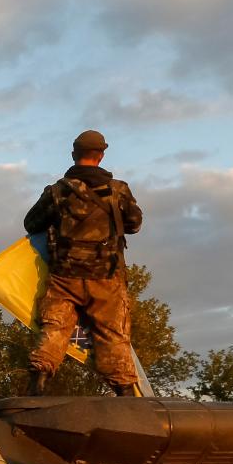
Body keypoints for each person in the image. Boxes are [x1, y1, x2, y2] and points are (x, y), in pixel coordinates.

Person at [23, 129, 145, 396]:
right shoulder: (118, 190)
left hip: (64, 276)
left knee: (55, 327)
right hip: (107, 276)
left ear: (73, 155)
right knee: (113, 334)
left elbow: (31, 223)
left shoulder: (57, 191)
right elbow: (135, 224)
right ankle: (125, 393)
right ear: (101, 156)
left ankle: (39, 382)